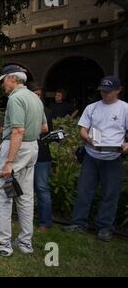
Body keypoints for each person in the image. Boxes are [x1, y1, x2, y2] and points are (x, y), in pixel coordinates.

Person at [0, 65, 47, 257]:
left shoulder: (16, 98)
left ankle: (3, 242)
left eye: (4, 80)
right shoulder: (35, 99)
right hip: (32, 148)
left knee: (3, 194)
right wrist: (12, 129)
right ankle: (25, 242)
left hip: (16, 150)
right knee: (25, 196)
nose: (3, 84)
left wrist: (10, 162)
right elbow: (43, 128)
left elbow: (18, 131)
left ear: (12, 79)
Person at [64, 76, 128, 242]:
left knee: (110, 194)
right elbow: (83, 129)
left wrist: (126, 144)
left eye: (108, 92)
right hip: (92, 154)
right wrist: (87, 138)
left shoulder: (124, 108)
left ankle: (105, 228)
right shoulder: (92, 107)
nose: (104, 94)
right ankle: (79, 223)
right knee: (85, 190)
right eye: (102, 91)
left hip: (113, 157)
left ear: (118, 90)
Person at [27, 82, 54, 232]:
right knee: (26, 188)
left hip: (42, 155)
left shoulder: (47, 111)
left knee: (42, 188)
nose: (37, 97)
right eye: (35, 94)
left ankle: (45, 222)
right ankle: (26, 218)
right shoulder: (22, 108)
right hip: (26, 153)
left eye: (39, 95)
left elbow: (48, 132)